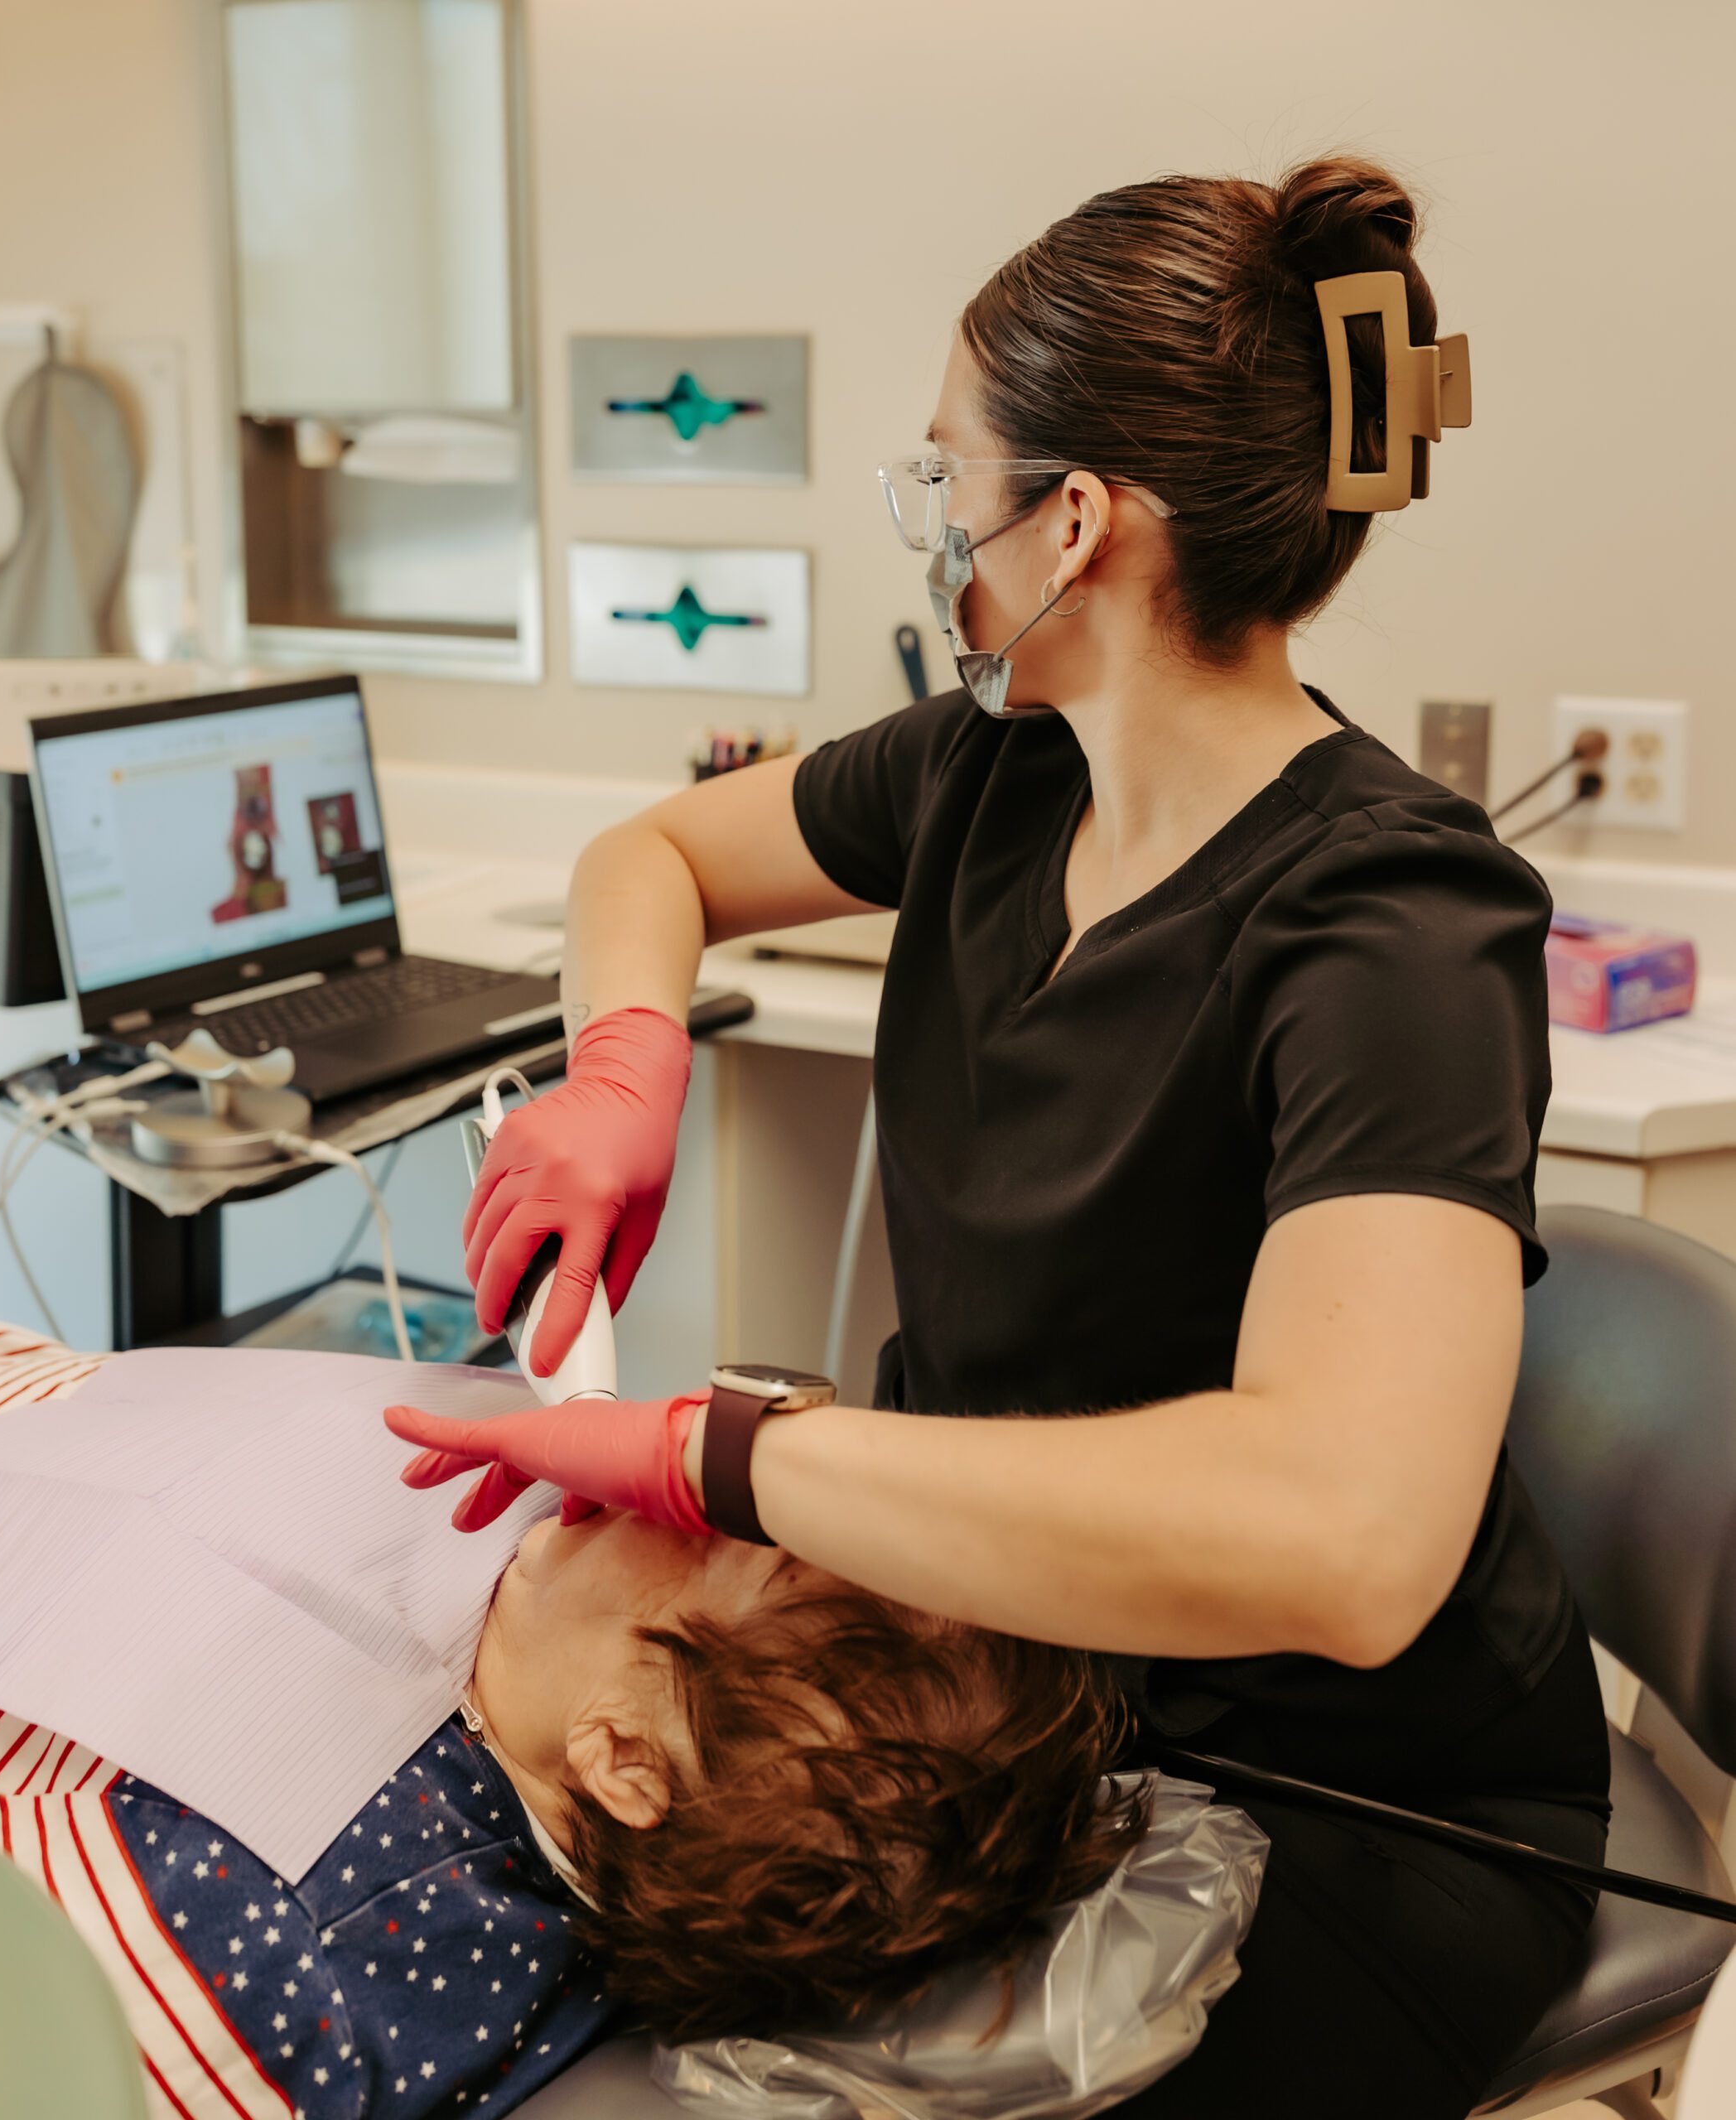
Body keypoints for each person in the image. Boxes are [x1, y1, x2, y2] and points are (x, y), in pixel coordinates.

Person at [388, 154, 1613, 2119]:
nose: (933, 527)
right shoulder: (997, 769)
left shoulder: (1389, 924)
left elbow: (1351, 1541)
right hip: (1000, 1696)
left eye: (945, 478)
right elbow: (654, 852)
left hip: (1359, 1797)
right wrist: (622, 1068)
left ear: (1073, 522)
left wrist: (732, 1456)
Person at [0, 1319, 1142, 2119]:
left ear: (626, 1759)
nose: (671, 1480)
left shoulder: (272, 1946)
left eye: (723, 1535)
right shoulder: (559, 1709)